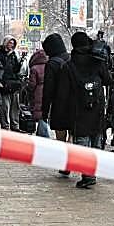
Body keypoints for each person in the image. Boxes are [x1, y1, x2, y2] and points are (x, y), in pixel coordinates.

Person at [66, 31, 113, 189]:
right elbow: (108, 80)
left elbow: (66, 91)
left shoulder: (70, 64)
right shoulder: (97, 60)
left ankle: (87, 174)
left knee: (82, 139)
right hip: (97, 105)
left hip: (79, 107)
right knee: (96, 138)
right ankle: (93, 171)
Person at [40, 32, 74, 176]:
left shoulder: (52, 64)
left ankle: (64, 163)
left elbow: (48, 89)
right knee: (72, 133)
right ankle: (71, 158)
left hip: (59, 104)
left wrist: (45, 110)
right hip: (74, 103)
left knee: (60, 134)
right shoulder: (72, 59)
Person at [0, 36, 24, 131]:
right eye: (9, 43)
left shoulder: (14, 55)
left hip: (14, 84)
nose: (11, 45)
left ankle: (15, 125)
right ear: (5, 43)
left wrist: (21, 61)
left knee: (15, 107)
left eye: (13, 43)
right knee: (5, 107)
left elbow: (16, 70)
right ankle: (5, 126)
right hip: (4, 84)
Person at [27, 45, 50, 137]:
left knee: (40, 113)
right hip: (47, 90)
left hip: (38, 92)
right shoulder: (48, 65)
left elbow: (32, 84)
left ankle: (43, 135)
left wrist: (29, 90)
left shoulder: (34, 68)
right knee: (44, 112)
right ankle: (41, 132)